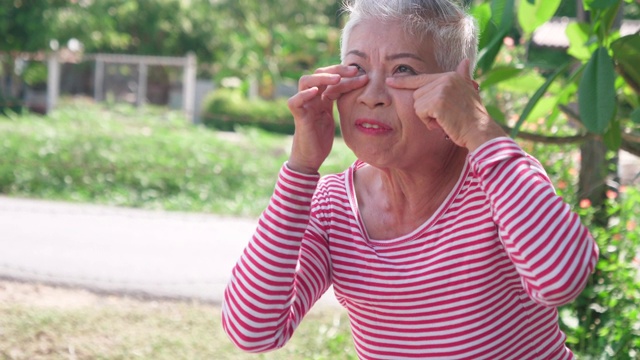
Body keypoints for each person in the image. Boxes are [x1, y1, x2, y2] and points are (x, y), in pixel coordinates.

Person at [222, 0, 599, 358]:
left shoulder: (499, 182)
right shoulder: (334, 205)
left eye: (403, 70)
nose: (373, 95)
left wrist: (480, 130)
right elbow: (251, 329)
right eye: (357, 68)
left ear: (455, 91)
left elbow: (562, 280)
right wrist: (301, 167)